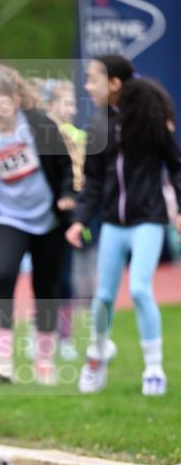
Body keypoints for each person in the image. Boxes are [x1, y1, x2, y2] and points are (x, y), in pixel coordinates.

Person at [66, 55, 181, 396]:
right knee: (102, 296)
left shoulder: (152, 119)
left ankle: (154, 369)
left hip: (148, 219)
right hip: (113, 224)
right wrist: (79, 221)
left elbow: (176, 165)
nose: (87, 87)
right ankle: (98, 357)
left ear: (114, 83)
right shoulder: (97, 125)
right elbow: (94, 180)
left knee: (140, 289)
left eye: (92, 80)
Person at [0, 64, 74, 384]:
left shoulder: (40, 124)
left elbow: (66, 167)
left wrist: (67, 197)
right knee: (2, 276)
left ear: (14, 99)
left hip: (49, 218)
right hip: (8, 219)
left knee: (46, 288)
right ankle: (1, 362)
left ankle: (44, 361)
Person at [47, 79, 87, 361]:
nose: (72, 110)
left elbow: (80, 176)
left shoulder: (77, 136)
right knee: (43, 277)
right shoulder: (38, 134)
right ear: (50, 105)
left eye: (74, 104)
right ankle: (44, 332)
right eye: (67, 103)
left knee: (63, 279)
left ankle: (65, 337)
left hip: (67, 216)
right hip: (40, 215)